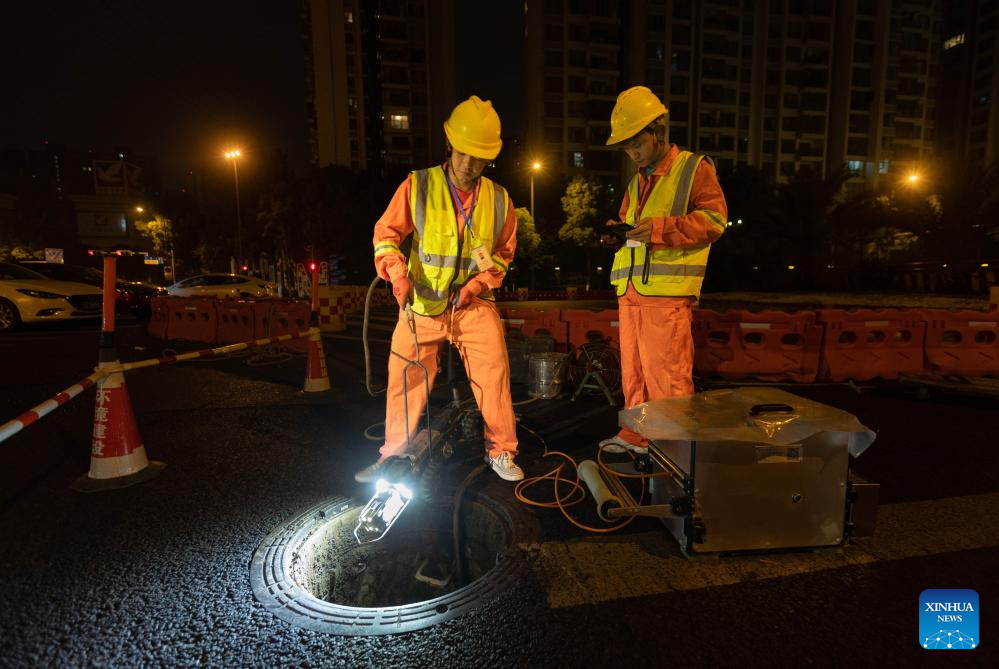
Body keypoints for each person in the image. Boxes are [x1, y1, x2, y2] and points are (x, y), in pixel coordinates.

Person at [356, 95, 523, 483]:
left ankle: (502, 450)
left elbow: (503, 254)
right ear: (450, 145)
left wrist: (479, 284)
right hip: (421, 306)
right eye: (463, 153)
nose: (468, 164)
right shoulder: (419, 185)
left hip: (473, 306)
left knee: (494, 375)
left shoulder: (499, 200)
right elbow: (386, 235)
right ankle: (393, 453)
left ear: (490, 158)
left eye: (478, 157)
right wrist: (397, 273)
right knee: (404, 377)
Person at [598, 86, 728, 454]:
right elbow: (631, 225)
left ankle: (672, 449)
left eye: (636, 142)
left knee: (667, 377)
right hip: (632, 292)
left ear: (658, 131)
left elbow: (714, 222)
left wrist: (658, 229)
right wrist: (618, 235)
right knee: (634, 374)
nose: (632, 152)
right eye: (626, 147)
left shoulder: (692, 168)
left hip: (666, 293)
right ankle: (636, 437)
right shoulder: (637, 181)